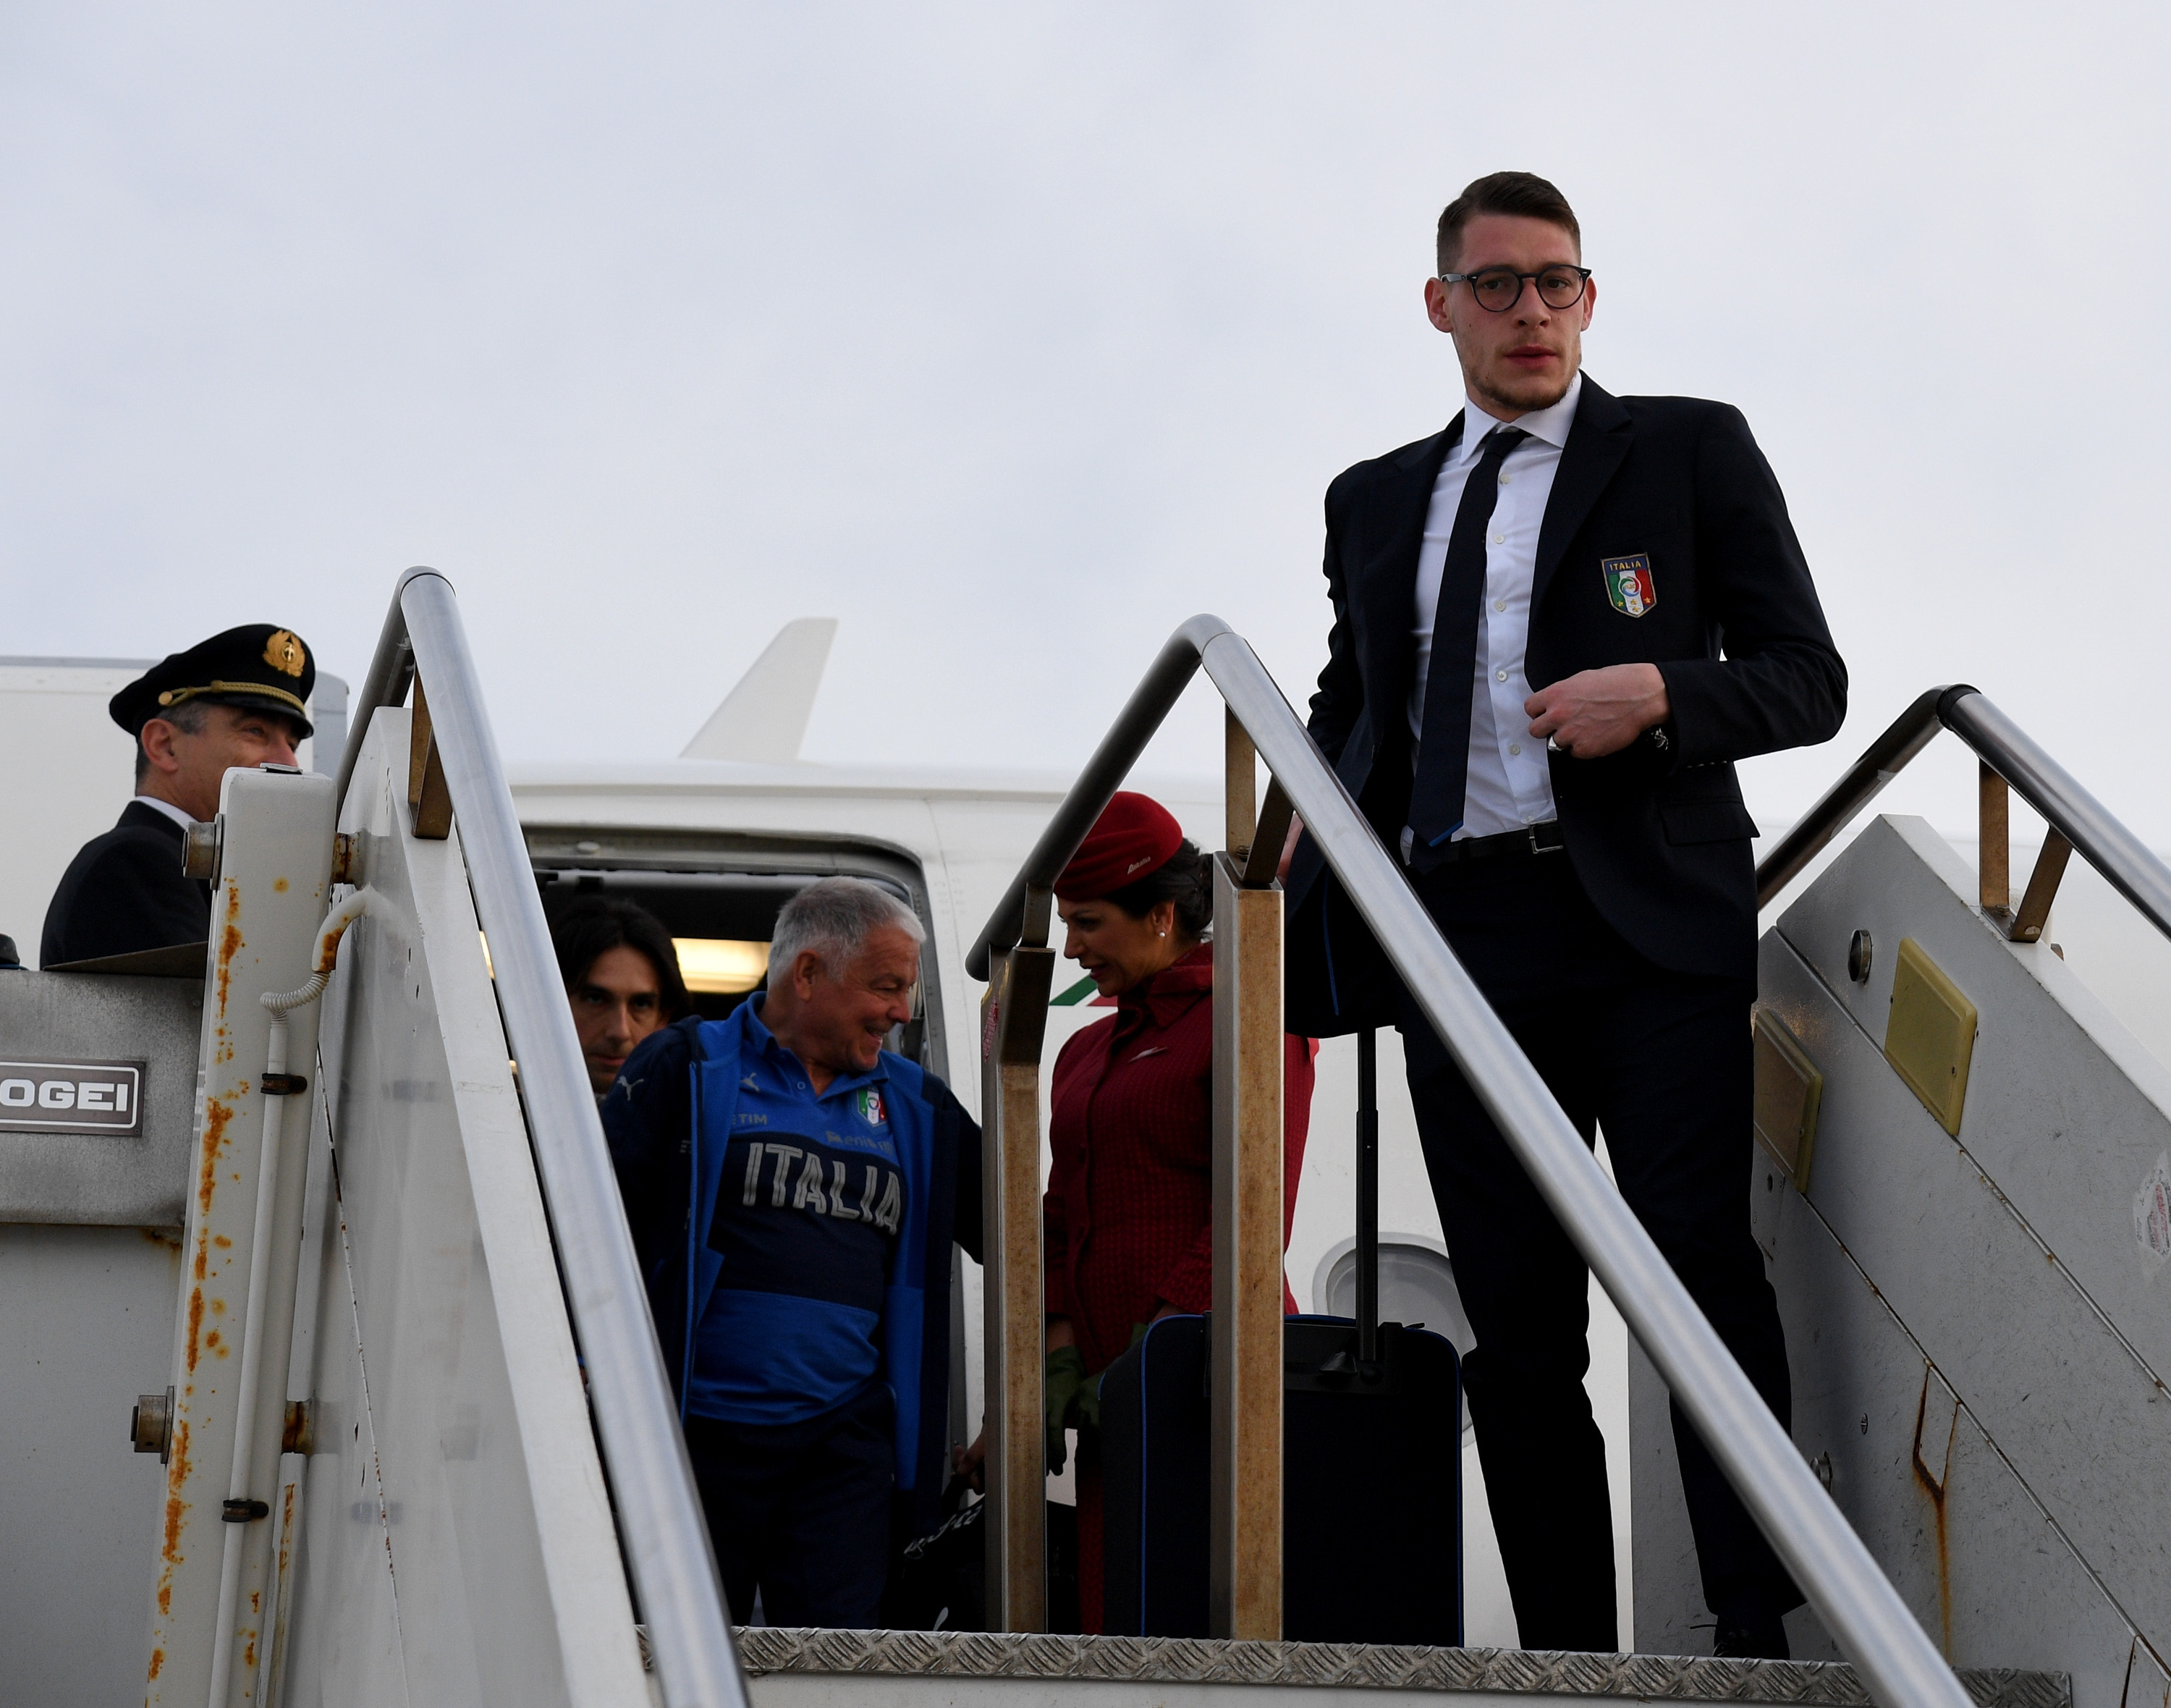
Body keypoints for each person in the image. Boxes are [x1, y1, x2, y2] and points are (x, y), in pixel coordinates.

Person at [1285, 172, 1845, 1659]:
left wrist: (1664, 694)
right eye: (1498, 285)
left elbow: (1808, 676)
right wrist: (1295, 867)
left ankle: (1747, 1625)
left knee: (1694, 1268)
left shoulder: (1686, 446)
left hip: (1649, 931)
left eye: (1558, 282)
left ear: (1590, 299)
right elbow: (1358, 707)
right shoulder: (1374, 498)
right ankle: (1566, 1656)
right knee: (1518, 1329)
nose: (1531, 311)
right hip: (1461, 942)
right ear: (1441, 304)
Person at [602, 876, 981, 1628]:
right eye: (886, 985)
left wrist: (1025, 1401)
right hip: (689, 1439)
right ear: (807, 974)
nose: (902, 1010)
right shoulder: (683, 1066)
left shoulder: (918, 1105)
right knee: (674, 1652)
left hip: (842, 1448)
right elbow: (583, 1227)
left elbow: (1026, 1244)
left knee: (836, 1663)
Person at [1041, 792, 1314, 1633]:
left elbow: (1257, 1209)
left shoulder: (1253, 1019)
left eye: (1086, 922)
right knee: (1114, 1612)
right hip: (1109, 1393)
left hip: (1209, 1379)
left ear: (1160, 915)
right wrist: (1054, 1345)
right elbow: (1061, 1211)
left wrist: (1150, 1352)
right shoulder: (1085, 1046)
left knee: (1206, 1613)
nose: (1069, 947)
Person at [41, 625, 316, 969]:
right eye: (255, 731)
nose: (288, 762)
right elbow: (203, 1021)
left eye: (291, 745)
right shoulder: (137, 862)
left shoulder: (203, 870)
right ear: (164, 745)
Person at [546, 894, 690, 1097]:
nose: (620, 1032)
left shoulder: (701, 1124)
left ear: (664, 1017)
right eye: (595, 999)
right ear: (549, 1005)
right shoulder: (496, 1117)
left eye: (641, 1004)